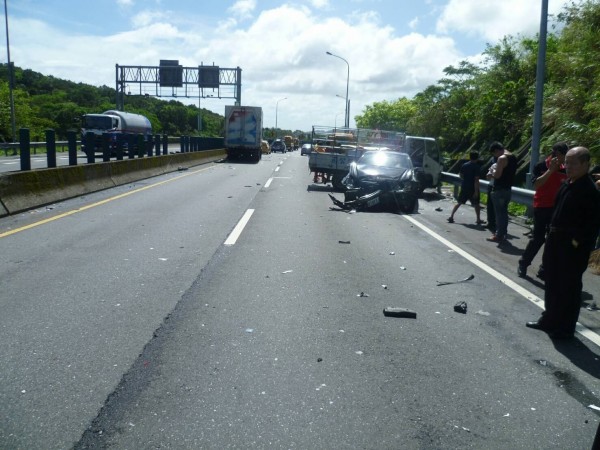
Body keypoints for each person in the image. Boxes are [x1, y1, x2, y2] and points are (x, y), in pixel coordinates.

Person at [526, 147, 600, 339]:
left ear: (586, 164)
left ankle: (565, 328)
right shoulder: (568, 183)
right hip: (555, 240)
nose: (568, 167)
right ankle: (549, 319)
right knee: (551, 282)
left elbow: (591, 226)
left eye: (573, 163)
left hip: (572, 248)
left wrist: (575, 244)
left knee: (569, 287)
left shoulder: (589, 190)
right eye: (566, 162)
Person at [517, 142, 569, 278]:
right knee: (538, 238)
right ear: (556, 154)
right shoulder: (541, 166)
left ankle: (544, 269)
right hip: (542, 207)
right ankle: (523, 263)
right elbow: (537, 184)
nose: (565, 159)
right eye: (564, 156)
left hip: (558, 209)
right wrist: (551, 170)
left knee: (553, 240)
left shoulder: (567, 169)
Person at [486, 141, 517, 243]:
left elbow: (497, 175)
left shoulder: (502, 158)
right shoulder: (513, 157)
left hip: (499, 189)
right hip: (508, 188)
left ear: (496, 151)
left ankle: (499, 235)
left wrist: (492, 172)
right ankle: (502, 233)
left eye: (494, 154)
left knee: (499, 214)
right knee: (504, 212)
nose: (495, 156)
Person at [447, 151, 484, 225]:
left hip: (464, 187)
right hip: (472, 188)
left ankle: (451, 216)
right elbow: (476, 180)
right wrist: (476, 192)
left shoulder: (464, 165)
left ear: (470, 157)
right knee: (476, 204)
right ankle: (478, 219)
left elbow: (460, 175)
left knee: (459, 202)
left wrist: (466, 179)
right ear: (477, 158)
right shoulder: (477, 167)